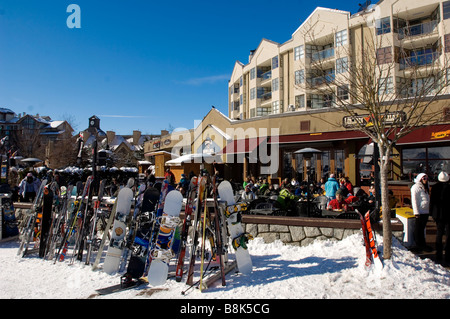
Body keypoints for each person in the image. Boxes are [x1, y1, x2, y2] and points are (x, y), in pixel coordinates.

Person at [430, 171, 450, 263]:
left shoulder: (434, 188)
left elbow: (432, 202)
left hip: (438, 214)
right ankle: (447, 254)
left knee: (439, 233)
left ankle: (438, 253)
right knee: (448, 234)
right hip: (448, 214)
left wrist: (432, 213)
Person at [411, 173, 432, 252]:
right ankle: (418, 244)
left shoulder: (426, 187)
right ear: (420, 179)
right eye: (424, 178)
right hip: (420, 211)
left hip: (425, 211)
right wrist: (416, 212)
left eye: (426, 178)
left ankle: (423, 244)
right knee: (418, 228)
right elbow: (414, 200)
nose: (425, 180)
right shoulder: (415, 187)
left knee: (422, 228)